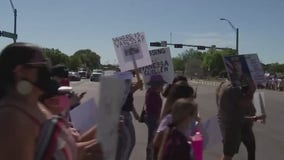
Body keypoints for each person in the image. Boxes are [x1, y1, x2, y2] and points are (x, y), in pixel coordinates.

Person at [0, 42, 77, 160]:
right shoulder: (12, 118)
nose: (47, 70)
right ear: (20, 71)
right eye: (42, 64)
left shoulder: (33, 106)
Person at [39, 80, 103, 160]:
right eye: (65, 95)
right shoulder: (48, 127)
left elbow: (75, 143)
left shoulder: (58, 119)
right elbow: (70, 149)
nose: (67, 98)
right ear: (50, 101)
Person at [216, 80, 266, 160]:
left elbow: (245, 106)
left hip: (243, 125)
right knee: (228, 154)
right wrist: (252, 90)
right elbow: (243, 103)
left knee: (251, 148)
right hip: (233, 127)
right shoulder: (233, 88)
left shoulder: (232, 85)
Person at [153, 82, 196, 160]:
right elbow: (157, 142)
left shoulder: (190, 119)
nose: (194, 100)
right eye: (192, 97)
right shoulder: (169, 119)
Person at [116, 70, 143, 160]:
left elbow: (129, 100)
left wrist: (135, 114)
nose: (134, 75)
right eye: (133, 73)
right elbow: (124, 93)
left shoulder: (129, 80)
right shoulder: (120, 77)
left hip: (127, 115)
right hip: (119, 114)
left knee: (130, 141)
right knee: (127, 141)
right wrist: (135, 87)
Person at [144, 74, 167, 160]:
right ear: (156, 84)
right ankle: (150, 157)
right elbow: (156, 109)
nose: (163, 86)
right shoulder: (152, 94)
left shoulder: (152, 92)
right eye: (161, 84)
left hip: (152, 118)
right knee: (152, 140)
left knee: (152, 139)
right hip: (153, 118)